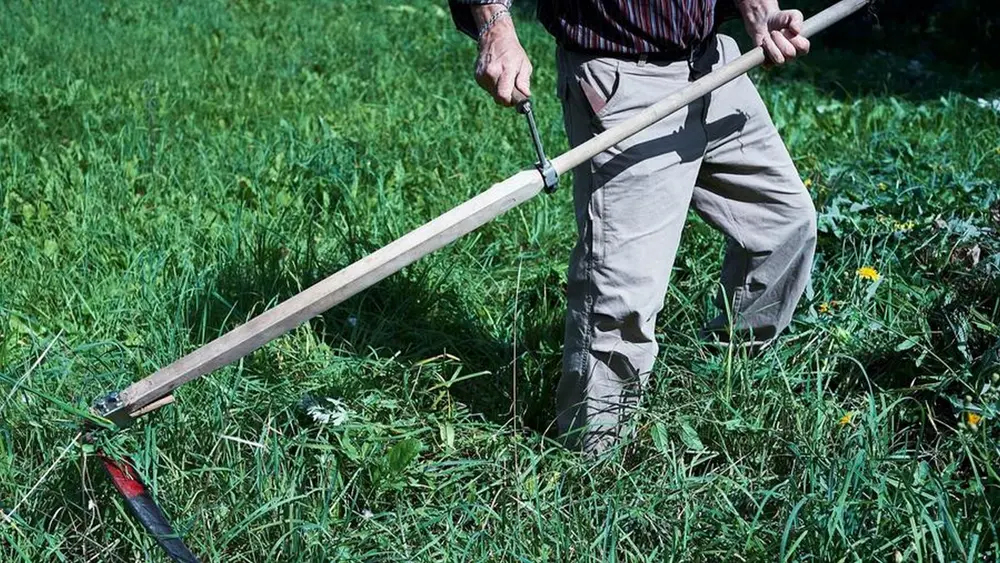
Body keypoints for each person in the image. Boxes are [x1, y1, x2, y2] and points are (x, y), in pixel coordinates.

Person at [449, 0, 817, 455]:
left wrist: (755, 6)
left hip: (715, 63)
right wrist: (495, 26)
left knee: (784, 225)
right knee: (621, 299)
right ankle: (593, 471)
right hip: (625, 79)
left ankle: (719, 386)